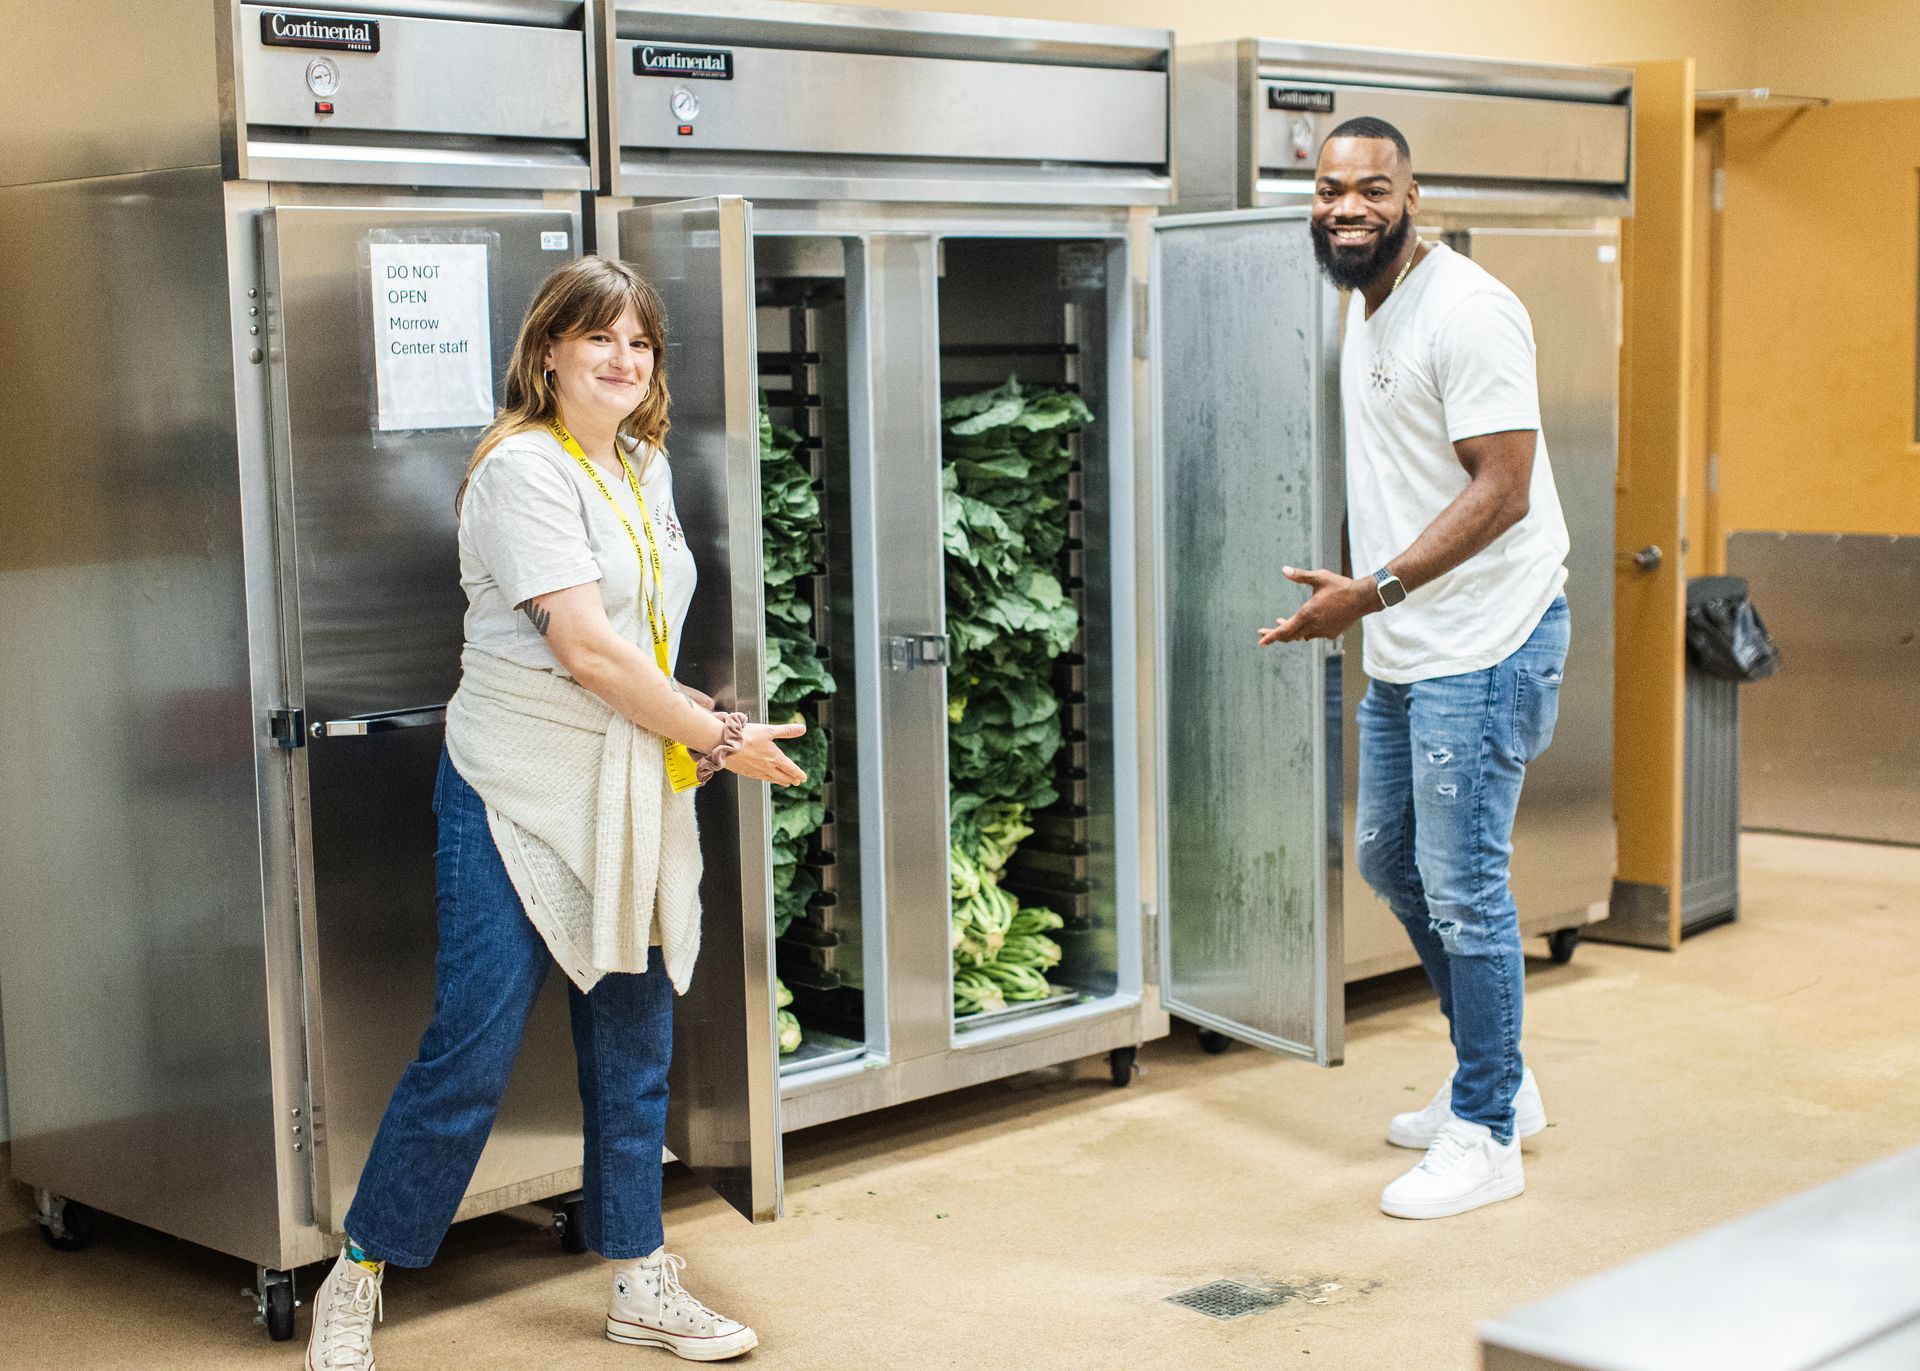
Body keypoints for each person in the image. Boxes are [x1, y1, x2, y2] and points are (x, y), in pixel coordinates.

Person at [304, 255, 807, 1368]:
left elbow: (642, 641)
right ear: (549, 352)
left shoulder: (642, 466)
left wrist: (690, 721)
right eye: (601, 339)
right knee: (472, 1046)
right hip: (516, 784)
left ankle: (639, 1276)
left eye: (641, 344)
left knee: (634, 1044)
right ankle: (361, 1270)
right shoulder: (521, 473)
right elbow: (581, 648)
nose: (624, 360)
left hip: (626, 783)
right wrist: (713, 733)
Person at [1259, 117, 1570, 1220]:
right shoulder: (1365, 301)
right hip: (1407, 636)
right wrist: (1355, 594)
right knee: (1392, 860)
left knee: (1466, 888)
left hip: (1485, 640)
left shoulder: (1469, 309)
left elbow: (1504, 488)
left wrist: (1371, 590)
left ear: (1413, 196)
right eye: (1331, 187)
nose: (1347, 206)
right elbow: (1395, 476)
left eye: (1372, 189)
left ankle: (1487, 1130)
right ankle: (1503, 1080)